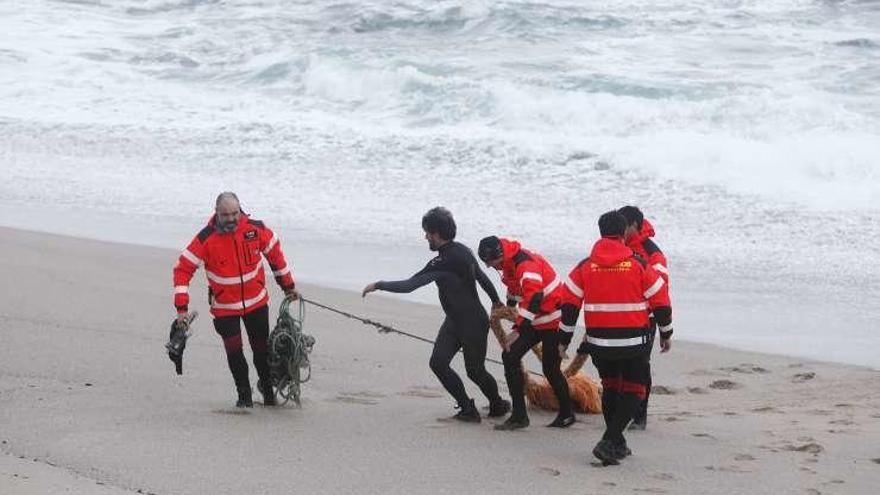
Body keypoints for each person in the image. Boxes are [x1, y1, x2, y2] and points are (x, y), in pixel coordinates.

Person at [362, 207, 510, 422]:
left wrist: (379, 285)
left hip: (473, 324)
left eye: (428, 233)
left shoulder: (444, 262)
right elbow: (482, 278)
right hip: (454, 322)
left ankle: (497, 403)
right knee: (438, 363)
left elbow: (410, 285)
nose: (425, 237)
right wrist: (495, 300)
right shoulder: (462, 250)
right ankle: (468, 408)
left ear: (437, 234)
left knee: (475, 370)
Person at [560, 211, 673, 465]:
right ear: (623, 234)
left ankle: (618, 443)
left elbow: (569, 306)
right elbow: (661, 300)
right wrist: (666, 333)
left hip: (599, 343)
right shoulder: (638, 264)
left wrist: (563, 340)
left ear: (600, 233)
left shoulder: (584, 265)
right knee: (635, 389)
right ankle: (610, 439)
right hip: (633, 342)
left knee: (610, 386)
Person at [172, 192, 299, 408]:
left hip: (257, 304)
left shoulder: (255, 229)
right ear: (216, 213)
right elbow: (182, 269)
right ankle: (244, 396)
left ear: (240, 210)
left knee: (261, 352)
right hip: (224, 309)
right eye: (225, 215)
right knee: (235, 352)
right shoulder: (205, 238)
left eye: (234, 213)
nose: (231, 219)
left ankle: (269, 395)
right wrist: (181, 309)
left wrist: (288, 287)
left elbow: (276, 256)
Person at [477, 236, 575, 430]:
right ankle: (519, 415)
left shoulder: (524, 263)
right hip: (536, 319)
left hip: (554, 319)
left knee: (550, 369)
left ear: (499, 255)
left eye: (490, 262)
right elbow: (515, 290)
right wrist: (509, 309)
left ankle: (567, 413)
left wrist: (518, 328)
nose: (489, 267)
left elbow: (535, 295)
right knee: (510, 356)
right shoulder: (507, 263)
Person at [619, 206, 670, 430]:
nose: (621, 229)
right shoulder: (619, 246)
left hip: (644, 319)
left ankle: (640, 415)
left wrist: (664, 328)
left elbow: (661, 292)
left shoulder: (653, 254)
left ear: (635, 226)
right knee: (619, 364)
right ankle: (623, 410)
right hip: (620, 314)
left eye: (625, 225)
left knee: (640, 366)